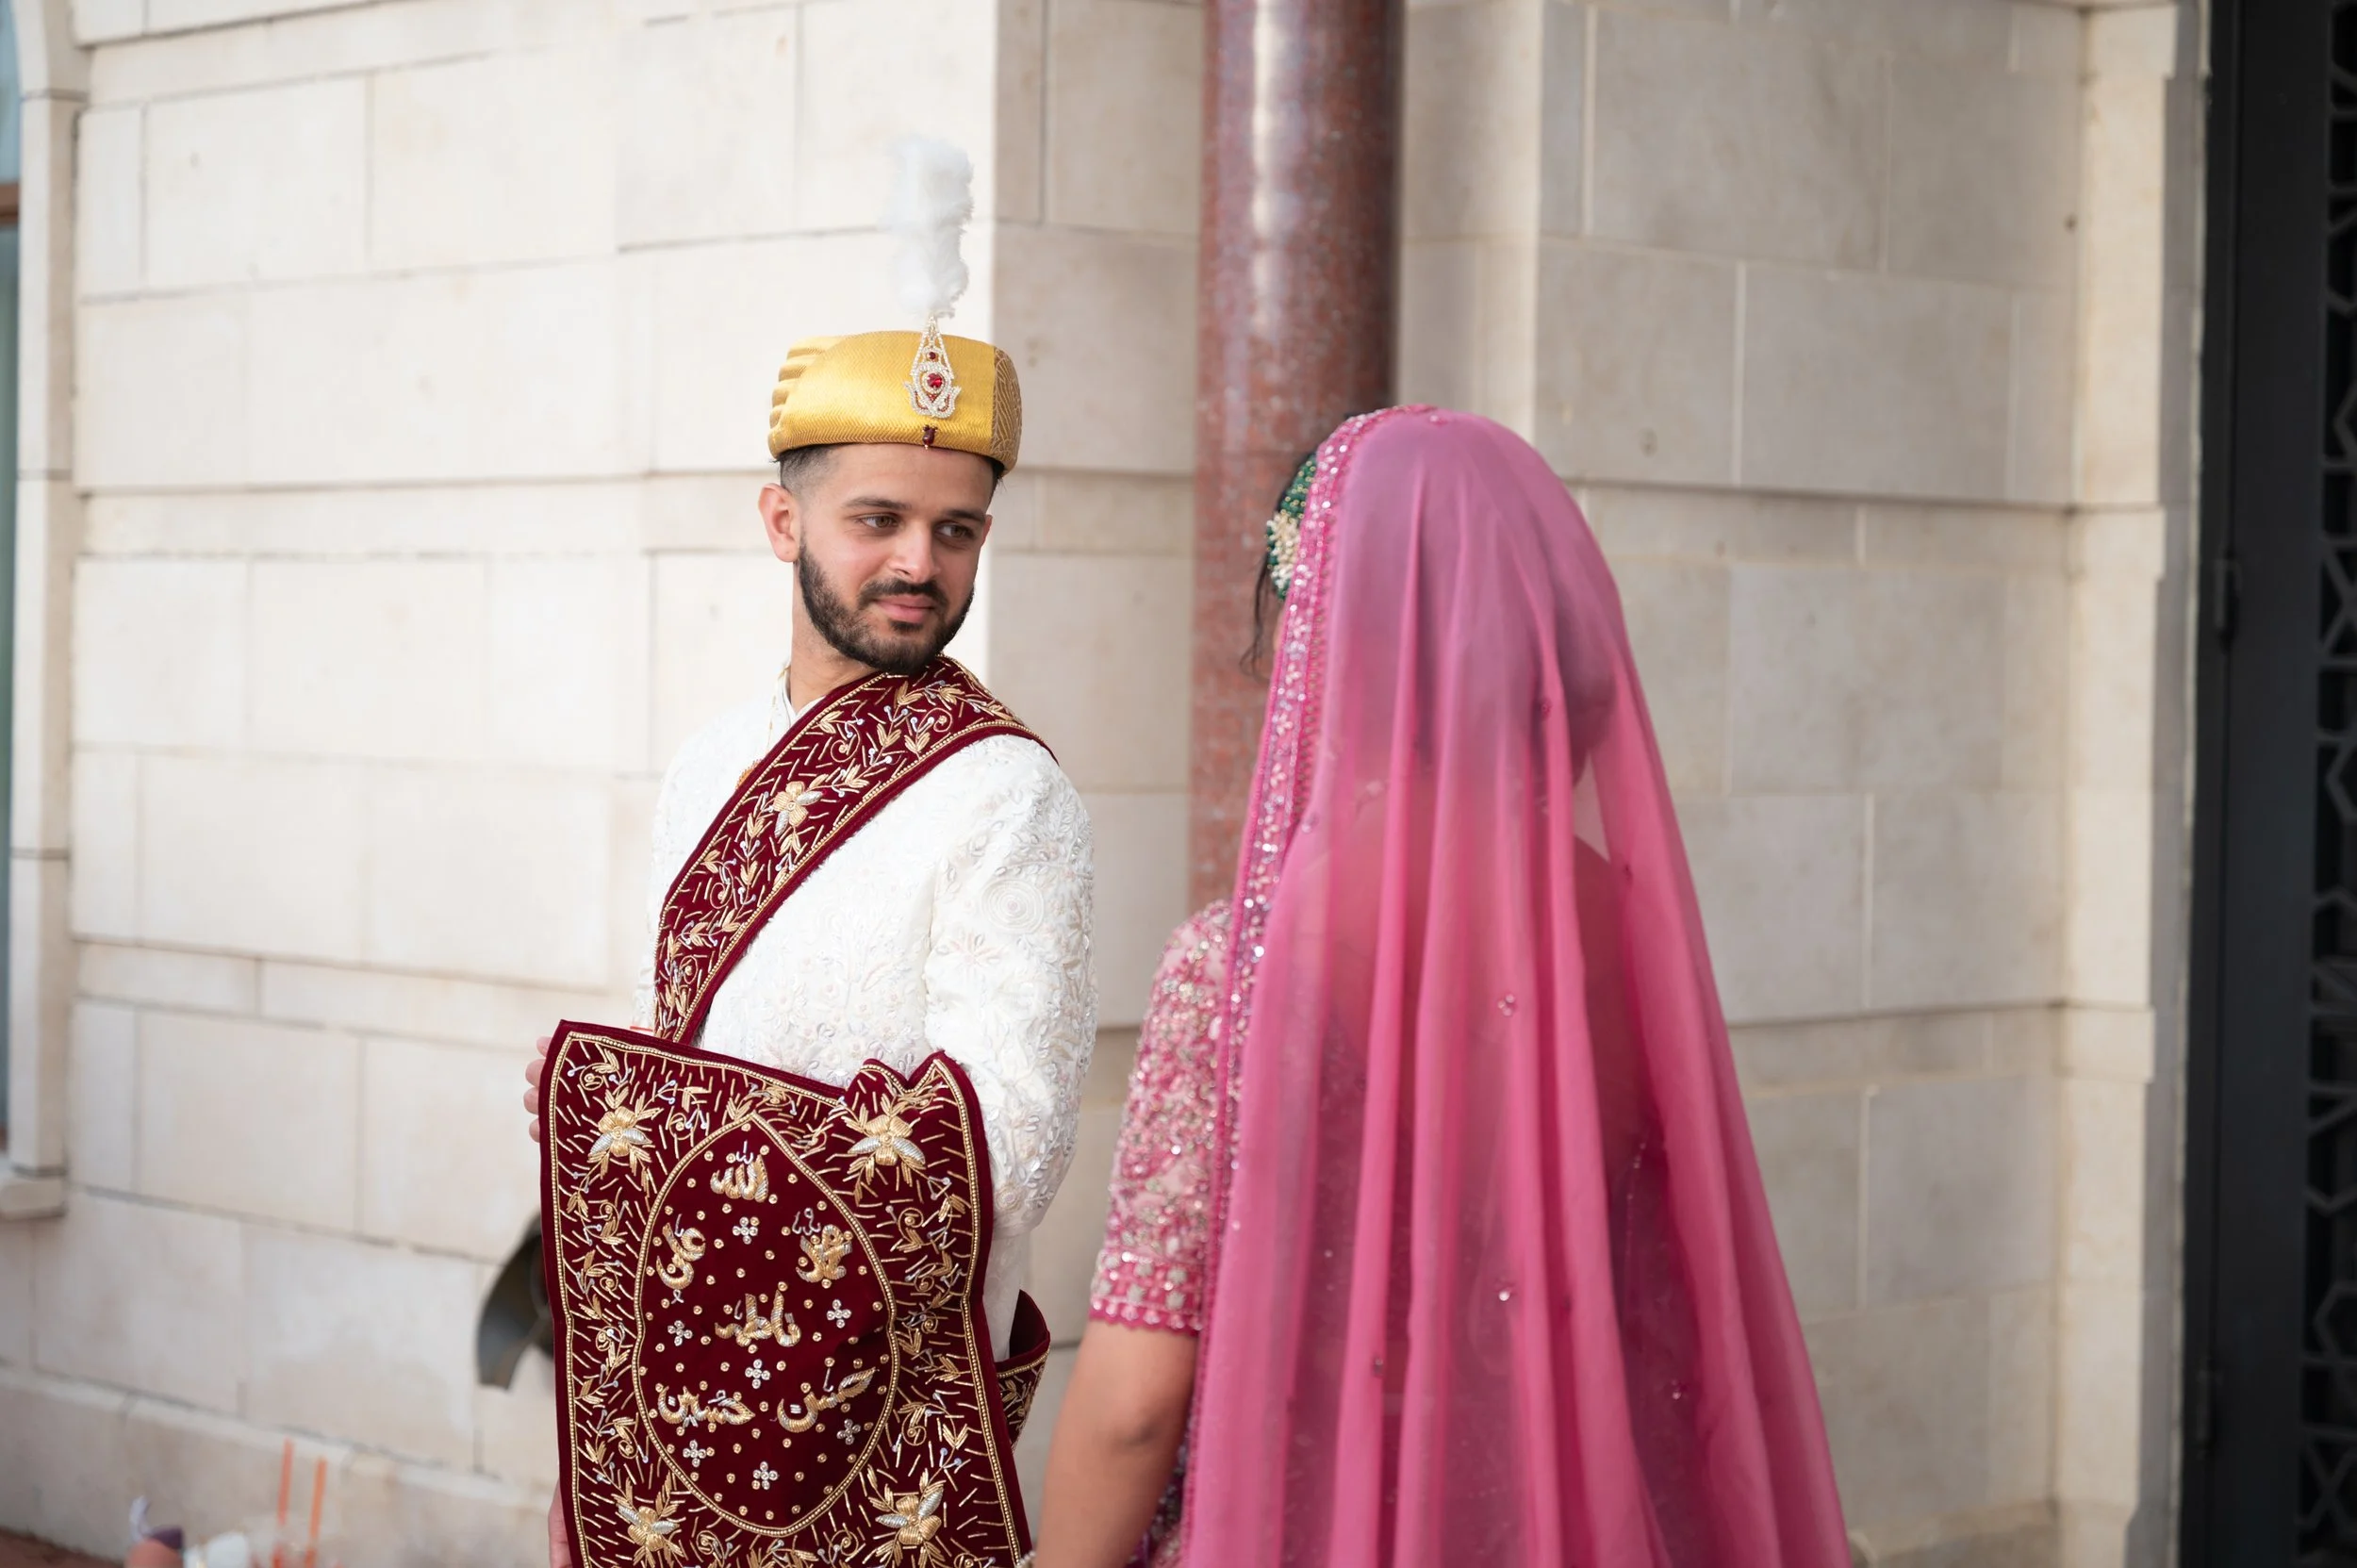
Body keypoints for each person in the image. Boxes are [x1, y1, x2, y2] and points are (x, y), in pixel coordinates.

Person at [1034, 407, 1851, 1566]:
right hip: (1567, 1521)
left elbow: (1134, 1404)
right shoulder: (1631, 937)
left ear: (1335, 654)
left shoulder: (1241, 965)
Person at [523, 142, 1095, 1567]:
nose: (921, 563)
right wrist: (606, 1422)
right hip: (675, 1425)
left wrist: (638, 1137)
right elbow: (667, 1065)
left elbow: (1006, 1146)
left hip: (874, 1428)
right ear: (782, 523)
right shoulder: (709, 760)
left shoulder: (1008, 796)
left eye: (957, 530)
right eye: (877, 521)